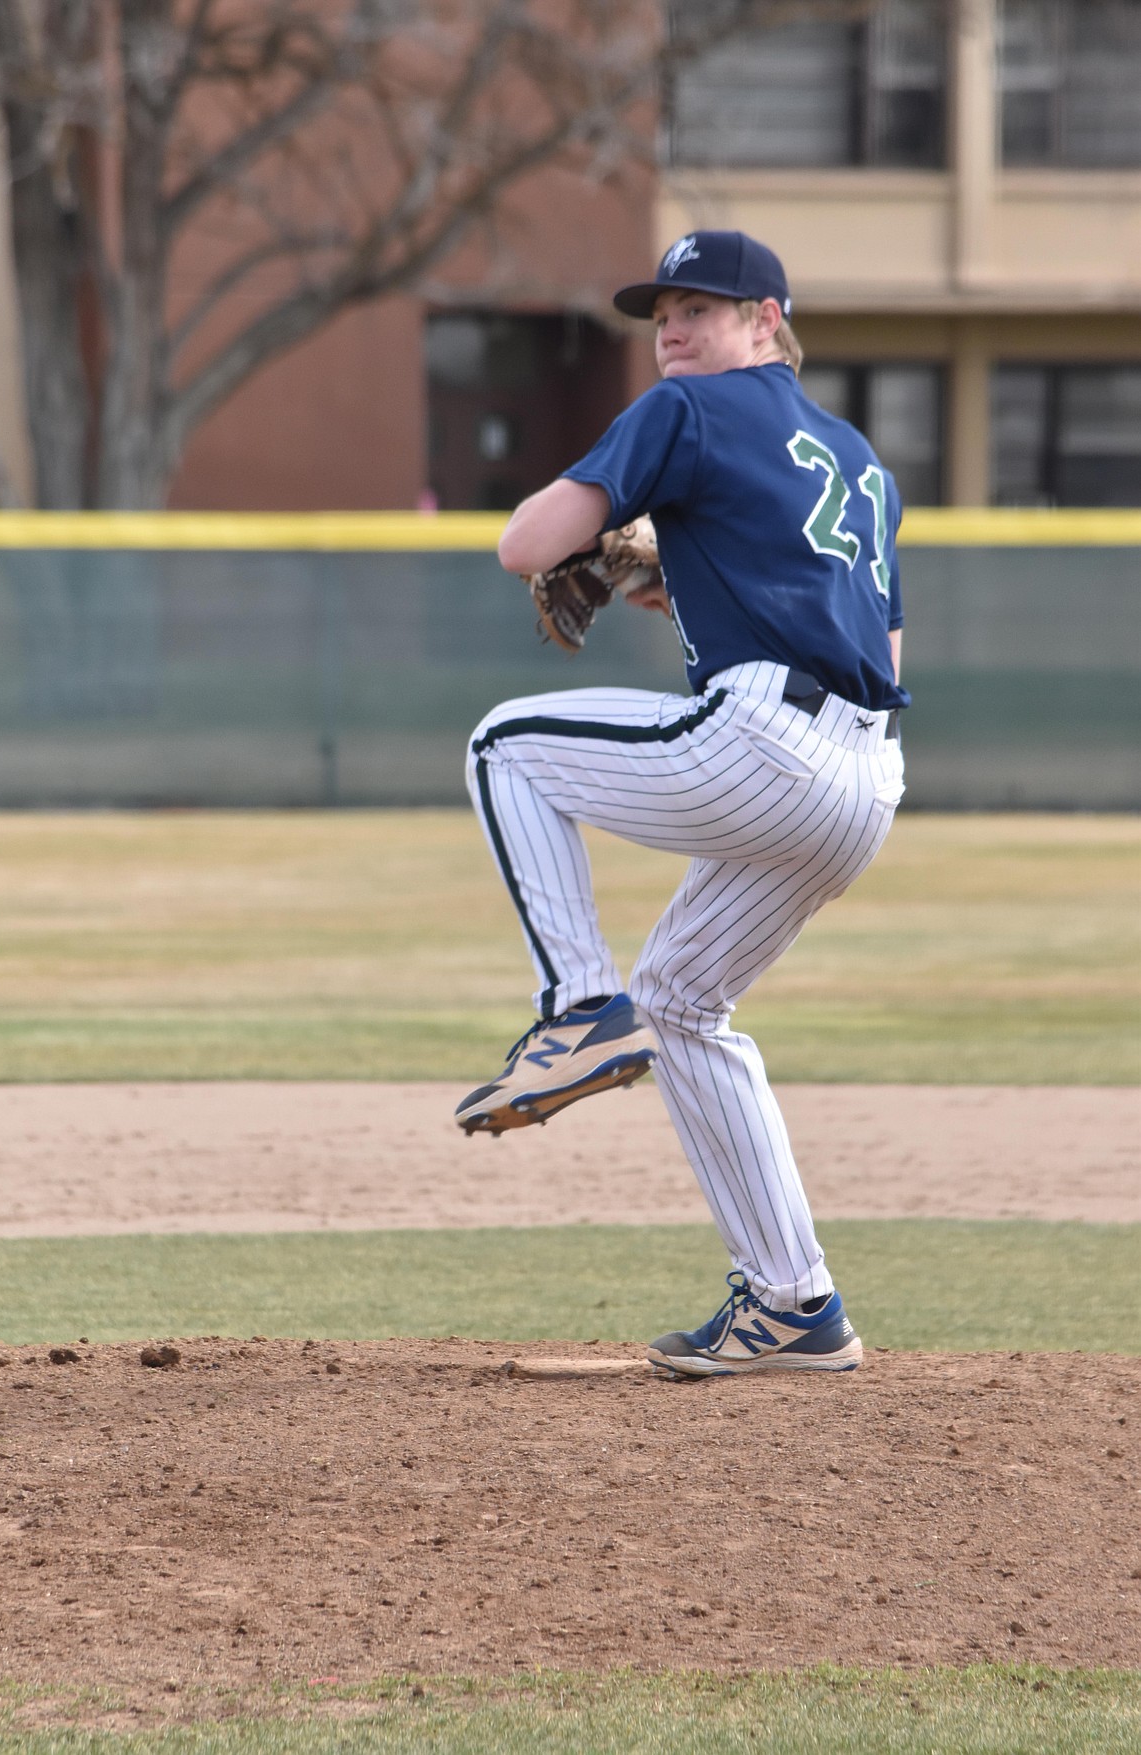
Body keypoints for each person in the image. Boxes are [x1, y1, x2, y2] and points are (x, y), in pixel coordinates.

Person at [455, 230, 908, 1377]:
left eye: (700, 306)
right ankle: (794, 1303)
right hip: (866, 778)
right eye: (661, 309)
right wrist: (671, 578)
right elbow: (874, 643)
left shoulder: (684, 413)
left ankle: (577, 1007)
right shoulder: (858, 459)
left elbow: (525, 545)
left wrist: (592, 545)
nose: (671, 328)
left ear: (767, 319)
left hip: (763, 744)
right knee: (687, 1002)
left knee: (506, 743)